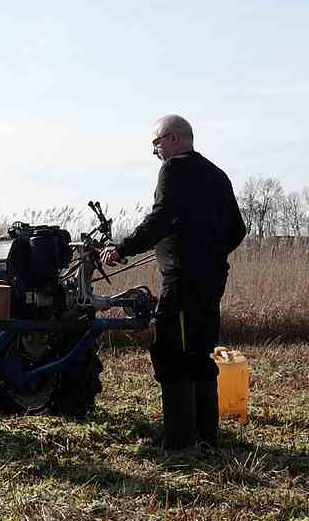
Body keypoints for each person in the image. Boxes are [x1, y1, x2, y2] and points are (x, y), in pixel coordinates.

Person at [102, 116, 246, 449]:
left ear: (174, 139)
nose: (155, 151)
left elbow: (160, 219)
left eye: (156, 143)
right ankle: (206, 436)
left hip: (182, 283)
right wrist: (209, 253)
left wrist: (122, 249)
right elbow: (237, 230)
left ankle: (179, 440)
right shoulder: (218, 174)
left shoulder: (174, 168)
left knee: (172, 355)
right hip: (212, 280)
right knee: (200, 354)